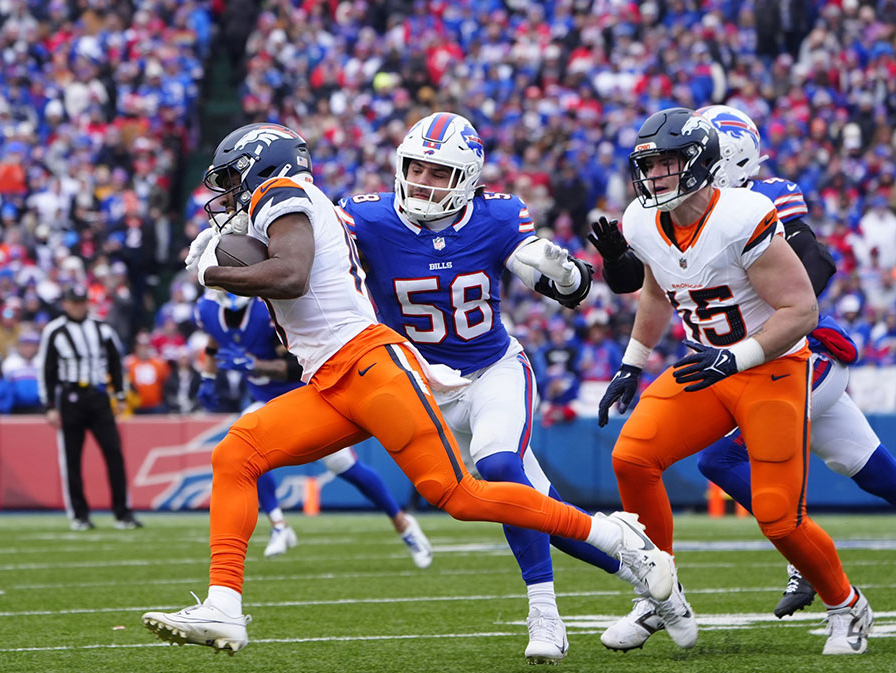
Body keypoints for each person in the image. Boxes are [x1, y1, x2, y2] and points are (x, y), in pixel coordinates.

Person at [141, 122, 674, 657]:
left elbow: (291, 276)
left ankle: (616, 539)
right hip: (335, 377)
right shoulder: (340, 211)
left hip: (377, 367)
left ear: (263, 170)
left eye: (235, 180)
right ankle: (224, 607)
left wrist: (213, 273)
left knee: (463, 495)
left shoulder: (285, 194)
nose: (228, 194)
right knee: (237, 453)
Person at [680, 105, 896, 625]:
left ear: (724, 155)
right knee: (880, 473)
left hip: (804, 355)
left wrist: (770, 303)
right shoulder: (692, 212)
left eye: (694, 149)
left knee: (718, 460)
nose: (684, 163)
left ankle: (804, 555)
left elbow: (815, 265)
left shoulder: (765, 198)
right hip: (764, 361)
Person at [339, 111, 648, 663]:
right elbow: (311, 247)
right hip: (421, 388)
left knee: (499, 466)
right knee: (544, 514)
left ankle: (545, 616)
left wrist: (569, 272)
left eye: (437, 172)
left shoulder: (499, 216)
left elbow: (564, 287)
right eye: (415, 168)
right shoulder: (370, 218)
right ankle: (643, 566)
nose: (422, 182)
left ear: (468, 177)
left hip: (490, 372)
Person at [595, 107, 872, 655]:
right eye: (648, 166)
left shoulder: (743, 214)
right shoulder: (642, 220)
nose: (654, 178)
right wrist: (632, 361)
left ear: (698, 162)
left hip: (770, 367)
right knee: (632, 459)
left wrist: (737, 357)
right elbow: (655, 291)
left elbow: (801, 309)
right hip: (708, 364)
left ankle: (848, 605)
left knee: (779, 519)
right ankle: (661, 593)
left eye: (667, 164)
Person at [194, 289, 433, 566]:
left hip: (305, 395)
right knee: (241, 450)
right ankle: (279, 525)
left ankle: (403, 524)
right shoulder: (208, 308)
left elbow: (296, 365)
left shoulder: (266, 310)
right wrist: (207, 377)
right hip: (263, 398)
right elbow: (213, 341)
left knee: (343, 466)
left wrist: (256, 365)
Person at [39, 286, 141, 531]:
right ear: (65, 304)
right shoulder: (54, 331)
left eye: (82, 301)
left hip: (98, 396)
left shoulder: (102, 328)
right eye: (73, 302)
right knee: (72, 459)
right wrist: (50, 406)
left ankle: (122, 512)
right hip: (70, 397)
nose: (78, 306)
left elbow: (116, 362)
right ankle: (79, 515)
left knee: (114, 454)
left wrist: (119, 394)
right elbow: (47, 370)